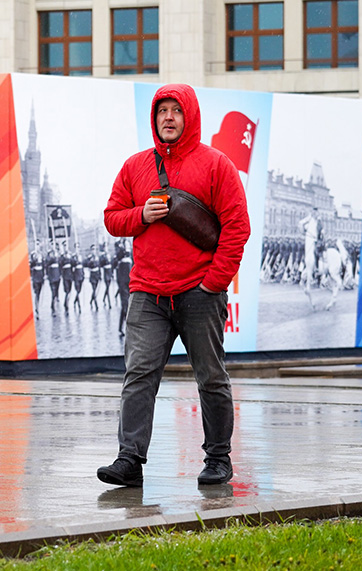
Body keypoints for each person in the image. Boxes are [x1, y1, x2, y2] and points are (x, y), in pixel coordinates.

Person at [97, 84, 251, 488]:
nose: (168, 117)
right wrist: (140, 215)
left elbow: (237, 228)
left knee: (210, 377)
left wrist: (212, 283)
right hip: (147, 292)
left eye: (175, 111)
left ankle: (218, 459)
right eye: (161, 110)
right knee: (139, 373)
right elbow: (112, 218)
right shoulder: (134, 166)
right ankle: (129, 460)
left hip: (199, 292)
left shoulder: (217, 165)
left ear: (190, 117)